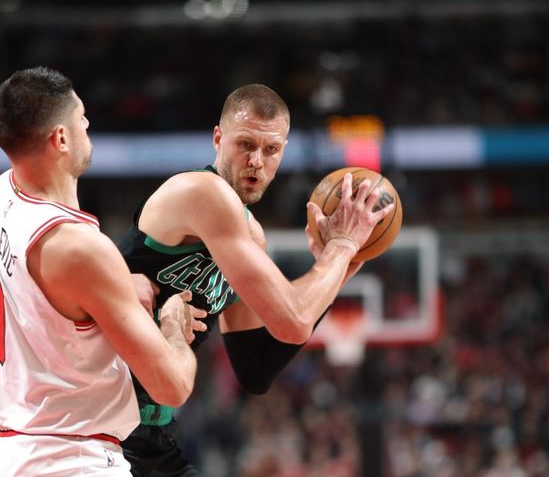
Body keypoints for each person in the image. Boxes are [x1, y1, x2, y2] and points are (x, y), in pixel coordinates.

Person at [118, 83, 393, 476]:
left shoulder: (251, 236)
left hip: (151, 434)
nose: (256, 161)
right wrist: (343, 246)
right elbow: (293, 319)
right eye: (245, 144)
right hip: (102, 423)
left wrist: (332, 273)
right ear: (218, 138)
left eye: (271, 149)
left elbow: (256, 369)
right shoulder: (201, 191)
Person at [0, 66, 203, 476]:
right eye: (82, 119)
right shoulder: (82, 249)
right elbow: (172, 387)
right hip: (72, 459)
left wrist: (94, 294)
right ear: (60, 138)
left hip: (6, 454)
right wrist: (173, 330)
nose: (87, 127)